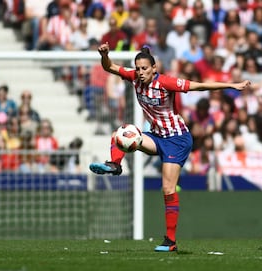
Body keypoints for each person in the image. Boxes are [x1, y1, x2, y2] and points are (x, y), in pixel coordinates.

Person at [89, 42, 251, 252]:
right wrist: (105, 55)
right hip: (157, 137)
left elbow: (198, 85)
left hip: (177, 139)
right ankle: (115, 165)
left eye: (144, 68)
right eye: (137, 68)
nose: (140, 72)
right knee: (120, 133)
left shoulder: (166, 82)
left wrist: (231, 85)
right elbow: (109, 67)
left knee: (167, 188)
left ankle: (171, 241)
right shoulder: (133, 78)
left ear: (154, 68)